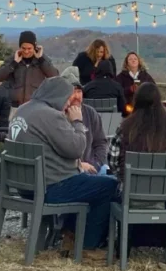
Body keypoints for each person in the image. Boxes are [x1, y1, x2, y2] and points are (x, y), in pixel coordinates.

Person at [9, 76, 119, 252]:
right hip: (52, 186)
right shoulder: (50, 115)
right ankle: (87, 245)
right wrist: (77, 121)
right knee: (110, 185)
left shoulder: (23, 109)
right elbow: (76, 148)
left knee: (89, 181)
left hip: (26, 185)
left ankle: (70, 233)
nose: (69, 104)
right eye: (68, 98)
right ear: (58, 96)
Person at [107, 82, 166, 252]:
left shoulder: (125, 127)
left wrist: (122, 177)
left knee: (108, 190)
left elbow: (112, 162)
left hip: (131, 194)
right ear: (159, 101)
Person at [0, 31, 58, 107]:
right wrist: (14, 63)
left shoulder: (42, 60)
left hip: (35, 105)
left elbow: (55, 76)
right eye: (23, 48)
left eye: (29, 48)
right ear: (20, 47)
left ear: (34, 47)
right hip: (15, 106)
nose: (26, 51)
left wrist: (41, 60)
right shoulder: (13, 59)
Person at [63, 66, 108, 175]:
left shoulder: (90, 113)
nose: (77, 96)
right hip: (67, 172)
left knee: (113, 182)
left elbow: (101, 143)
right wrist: (79, 166)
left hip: (92, 168)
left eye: (79, 91)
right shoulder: (57, 115)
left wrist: (96, 165)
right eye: (72, 92)